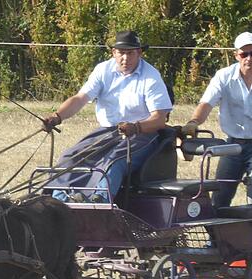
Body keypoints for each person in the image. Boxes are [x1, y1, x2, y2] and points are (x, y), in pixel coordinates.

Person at [182, 31, 252, 240]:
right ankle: (218, 247)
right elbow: (206, 103)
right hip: (232, 145)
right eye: (244, 54)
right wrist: (193, 123)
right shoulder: (223, 76)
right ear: (236, 55)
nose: (249, 58)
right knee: (219, 199)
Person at [43, 30, 173, 203]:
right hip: (107, 131)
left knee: (113, 161)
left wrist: (136, 127)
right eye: (121, 53)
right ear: (113, 52)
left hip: (142, 135)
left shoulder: (151, 76)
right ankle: (60, 201)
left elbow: (159, 119)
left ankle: (100, 201)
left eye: (130, 53)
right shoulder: (103, 70)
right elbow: (80, 98)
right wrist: (57, 117)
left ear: (139, 53)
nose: (125, 58)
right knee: (70, 157)